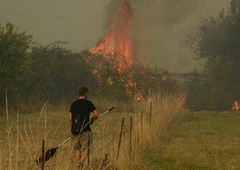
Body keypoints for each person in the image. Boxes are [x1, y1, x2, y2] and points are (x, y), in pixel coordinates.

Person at [69, 86, 99, 168]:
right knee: (87, 148)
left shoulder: (73, 104)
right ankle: (80, 163)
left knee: (77, 149)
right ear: (85, 93)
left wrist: (76, 125)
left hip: (75, 131)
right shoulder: (88, 103)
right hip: (85, 130)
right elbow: (96, 114)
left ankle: (77, 166)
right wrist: (91, 120)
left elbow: (70, 118)